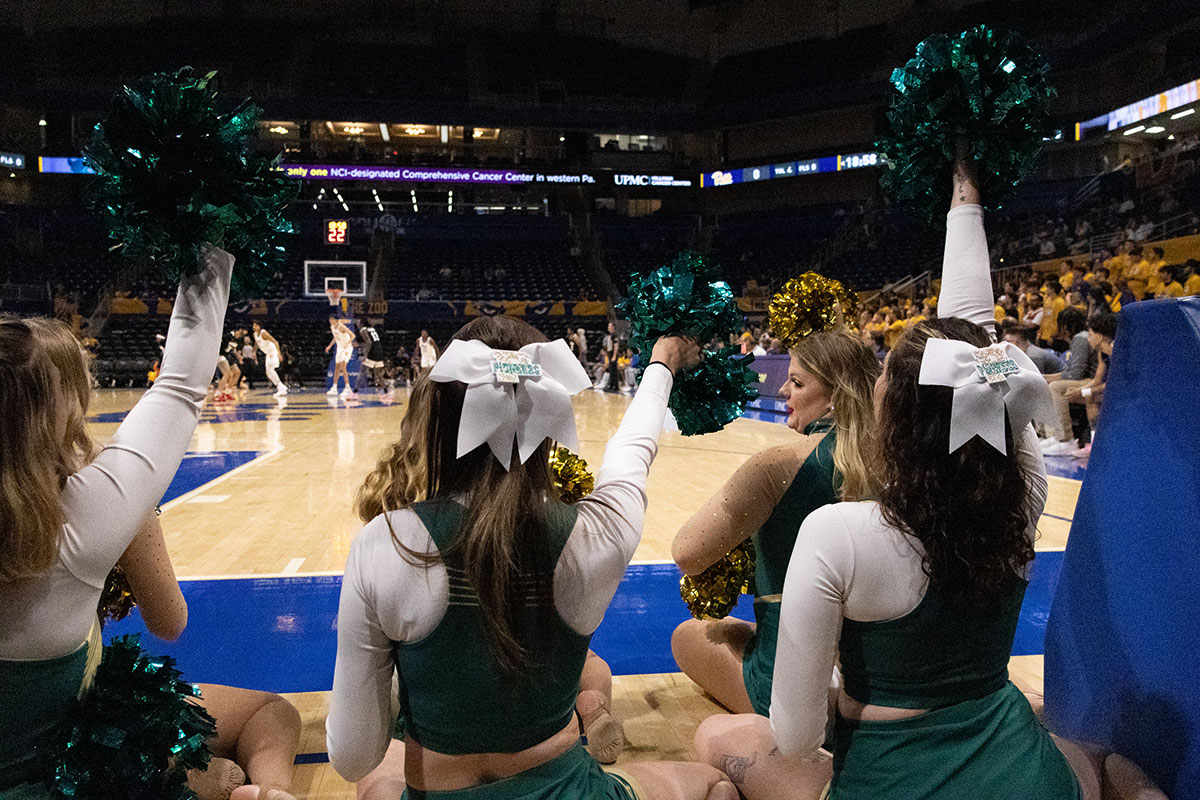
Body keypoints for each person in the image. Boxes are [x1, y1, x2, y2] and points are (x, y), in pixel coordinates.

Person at [690, 156, 1163, 800]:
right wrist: (966, 196)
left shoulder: (838, 533)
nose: (876, 379)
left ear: (900, 421)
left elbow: (797, 738)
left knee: (718, 742)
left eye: (884, 377)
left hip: (893, 780)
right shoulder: (1021, 499)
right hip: (1023, 775)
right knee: (1100, 761)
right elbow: (977, 349)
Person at [328, 317, 738, 800]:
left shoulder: (386, 542)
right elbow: (633, 450)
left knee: (373, 783)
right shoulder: (600, 533)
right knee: (710, 783)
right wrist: (660, 364)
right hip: (567, 792)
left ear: (436, 420)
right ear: (548, 418)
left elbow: (353, 756)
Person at [0, 246, 234, 798]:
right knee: (218, 773)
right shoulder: (86, 514)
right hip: (53, 786)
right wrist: (210, 240)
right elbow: (180, 382)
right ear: (59, 409)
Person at [671, 328, 879, 717]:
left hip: (799, 688)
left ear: (837, 394)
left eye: (796, 382)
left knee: (690, 636)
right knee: (735, 629)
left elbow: (688, 552)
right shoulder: (906, 459)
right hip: (886, 675)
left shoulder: (778, 465)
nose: (782, 391)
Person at [116, 515, 302, 800]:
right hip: (89, 714)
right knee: (272, 712)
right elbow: (169, 623)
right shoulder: (109, 497)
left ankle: (184, 773)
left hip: (29, 725)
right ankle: (268, 791)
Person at [1061, 312, 1119, 460]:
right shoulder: (1102, 353)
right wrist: (1080, 390)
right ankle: (1094, 443)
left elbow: (1115, 383)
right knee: (1090, 398)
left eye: (1090, 335)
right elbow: (1097, 380)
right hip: (1112, 389)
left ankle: (1101, 443)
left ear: (1099, 337)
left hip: (1126, 392)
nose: (1088, 338)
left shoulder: (1119, 351)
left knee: (1090, 395)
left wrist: (1086, 392)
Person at [1041, 307, 1097, 455]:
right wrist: (1047, 378)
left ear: (1065, 325)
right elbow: (1071, 373)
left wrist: (1051, 379)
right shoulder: (1080, 337)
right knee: (1046, 384)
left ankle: (1066, 439)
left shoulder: (1080, 339)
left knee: (1055, 388)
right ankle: (1054, 435)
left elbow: (1076, 374)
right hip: (1086, 378)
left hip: (1092, 380)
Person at [252, 322, 287, 397]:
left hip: (272, 352)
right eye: (253, 325)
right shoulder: (254, 334)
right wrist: (254, 351)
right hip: (268, 353)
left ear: (259, 326)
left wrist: (279, 354)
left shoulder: (263, 333)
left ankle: (281, 387)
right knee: (268, 372)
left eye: (255, 325)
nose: (253, 327)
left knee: (270, 370)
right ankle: (281, 386)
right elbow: (256, 343)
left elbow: (275, 342)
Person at [326, 317, 356, 398]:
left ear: (336, 320)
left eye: (331, 319)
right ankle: (334, 387)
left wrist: (348, 343)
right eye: (329, 319)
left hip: (347, 348)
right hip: (340, 348)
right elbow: (335, 337)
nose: (330, 321)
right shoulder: (332, 327)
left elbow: (353, 335)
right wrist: (329, 346)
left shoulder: (341, 326)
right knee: (337, 368)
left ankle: (348, 388)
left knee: (343, 367)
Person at [356, 319, 385, 393]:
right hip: (379, 350)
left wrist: (366, 355)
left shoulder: (362, 330)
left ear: (362, 323)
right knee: (377, 373)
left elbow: (369, 342)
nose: (357, 324)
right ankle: (385, 389)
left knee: (362, 370)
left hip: (373, 351)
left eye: (358, 322)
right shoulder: (372, 329)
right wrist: (361, 345)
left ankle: (355, 390)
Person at [1038, 279, 1066, 347]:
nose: (1046, 289)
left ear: (1052, 289)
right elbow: (1044, 318)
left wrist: (1053, 335)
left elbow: (1058, 320)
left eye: (1048, 288)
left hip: (1052, 337)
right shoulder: (1047, 301)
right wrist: (1039, 333)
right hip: (1043, 335)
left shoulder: (1060, 302)